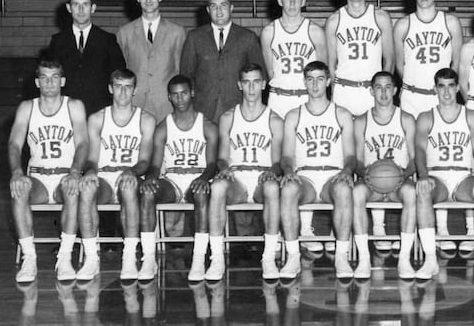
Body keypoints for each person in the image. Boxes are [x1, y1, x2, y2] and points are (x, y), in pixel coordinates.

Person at [8, 60, 88, 282]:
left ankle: (64, 257)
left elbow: (83, 143)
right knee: (19, 191)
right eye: (44, 77)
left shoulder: (74, 105)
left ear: (62, 81)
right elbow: (14, 144)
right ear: (37, 82)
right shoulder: (27, 107)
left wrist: (74, 171)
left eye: (54, 77)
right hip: (39, 178)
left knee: (73, 190)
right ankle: (29, 258)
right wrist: (16, 172)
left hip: (65, 174)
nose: (50, 82)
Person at [206, 64, 285, 280]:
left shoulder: (275, 119)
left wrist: (273, 171)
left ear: (263, 84)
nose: (251, 88)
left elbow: (278, 162)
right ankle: (217, 259)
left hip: (262, 178)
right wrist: (224, 169)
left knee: (272, 187)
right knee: (218, 186)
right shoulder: (228, 117)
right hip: (237, 178)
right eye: (246, 82)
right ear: (239, 85)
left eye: (256, 82)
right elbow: (222, 157)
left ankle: (268, 257)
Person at [278, 61, 356, 279]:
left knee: (343, 189)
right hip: (306, 177)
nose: (315, 84)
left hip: (333, 175)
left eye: (320, 79)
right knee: (287, 189)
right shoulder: (294, 115)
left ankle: (341, 255)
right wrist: (287, 171)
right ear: (304, 82)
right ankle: (293, 256)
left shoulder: (341, 114)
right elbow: (286, 155)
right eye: (310, 79)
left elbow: (351, 155)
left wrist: (347, 171)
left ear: (328, 81)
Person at [138, 75, 219, 281]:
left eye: (183, 93)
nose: (180, 98)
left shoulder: (207, 125)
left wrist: (203, 178)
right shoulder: (163, 127)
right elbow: (155, 165)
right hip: (172, 181)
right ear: (169, 98)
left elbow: (212, 164)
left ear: (192, 93)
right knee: (147, 193)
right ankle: (149, 259)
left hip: (197, 179)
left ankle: (199, 259)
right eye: (175, 95)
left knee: (202, 193)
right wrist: (151, 178)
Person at [414, 68, 474, 279]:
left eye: (450, 86)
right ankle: (430, 259)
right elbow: (419, 150)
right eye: (441, 86)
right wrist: (422, 175)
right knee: (421, 193)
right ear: (435, 89)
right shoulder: (425, 117)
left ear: (457, 88)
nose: (446, 92)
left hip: (463, 177)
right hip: (436, 177)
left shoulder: (471, 115)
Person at [79, 69, 156, 280]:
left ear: (135, 90)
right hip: (104, 178)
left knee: (128, 186)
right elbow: (92, 159)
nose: (123, 92)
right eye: (119, 87)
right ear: (110, 88)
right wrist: (91, 172)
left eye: (128, 87)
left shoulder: (146, 119)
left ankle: (129, 257)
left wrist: (131, 171)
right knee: (86, 189)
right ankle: (91, 258)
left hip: (130, 177)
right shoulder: (96, 118)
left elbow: (145, 161)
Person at [351, 71, 417, 278]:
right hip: (372, 183)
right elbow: (357, 160)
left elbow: (416, 159)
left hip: (399, 181)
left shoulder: (406, 119)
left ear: (395, 90)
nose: (383, 92)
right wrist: (365, 174)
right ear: (371, 91)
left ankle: (405, 259)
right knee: (356, 194)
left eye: (388, 87)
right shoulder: (361, 121)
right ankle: (363, 259)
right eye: (378, 87)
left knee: (412, 194)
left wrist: (404, 174)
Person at [180, 0, 266, 123]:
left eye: (223, 5)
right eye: (214, 6)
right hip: (203, 109)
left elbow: (260, 75)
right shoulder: (194, 37)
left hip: (238, 108)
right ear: (208, 10)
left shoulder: (247, 37)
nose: (219, 11)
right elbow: (186, 75)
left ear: (231, 8)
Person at [325, 0, 395, 116]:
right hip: (343, 91)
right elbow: (331, 64)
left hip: (372, 91)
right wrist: (333, 92)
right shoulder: (333, 21)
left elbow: (390, 60)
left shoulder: (381, 17)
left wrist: (383, 90)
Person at [47, 0, 126, 115]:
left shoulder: (107, 40)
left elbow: (118, 76)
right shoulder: (57, 41)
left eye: (85, 4)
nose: (81, 9)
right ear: (69, 8)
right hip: (67, 111)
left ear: (93, 8)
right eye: (76, 4)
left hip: (99, 111)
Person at [116, 0, 187, 122]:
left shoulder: (177, 32)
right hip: (135, 105)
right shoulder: (125, 33)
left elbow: (181, 71)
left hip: (166, 106)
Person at [393, 0, 464, 118]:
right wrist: (412, 83)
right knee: (411, 140)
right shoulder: (402, 25)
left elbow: (457, 62)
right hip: (412, 96)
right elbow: (399, 65)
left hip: (440, 95)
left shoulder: (451, 22)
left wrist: (446, 87)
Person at [261, 0, 328, 119]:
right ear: (280, 1)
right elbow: (270, 72)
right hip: (278, 99)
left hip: (306, 98)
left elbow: (323, 72)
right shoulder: (269, 32)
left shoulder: (315, 32)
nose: (292, 4)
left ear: (303, 2)